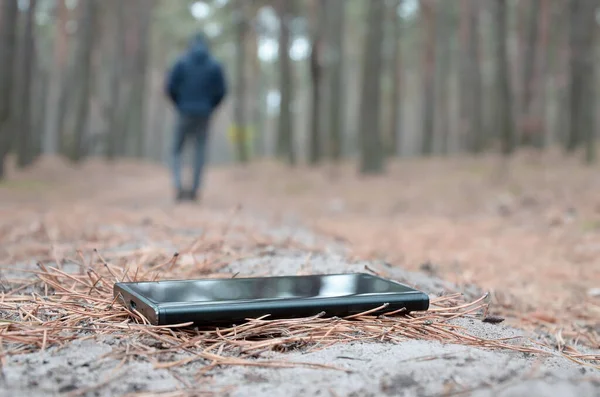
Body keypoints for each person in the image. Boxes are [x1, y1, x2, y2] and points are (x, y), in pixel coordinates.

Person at [165, 33, 227, 202]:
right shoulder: (214, 65)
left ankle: (177, 185)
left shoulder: (181, 62)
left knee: (177, 150)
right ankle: (195, 189)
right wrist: (210, 106)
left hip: (184, 111)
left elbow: (170, 87)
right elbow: (221, 92)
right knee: (199, 151)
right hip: (204, 113)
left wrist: (179, 104)